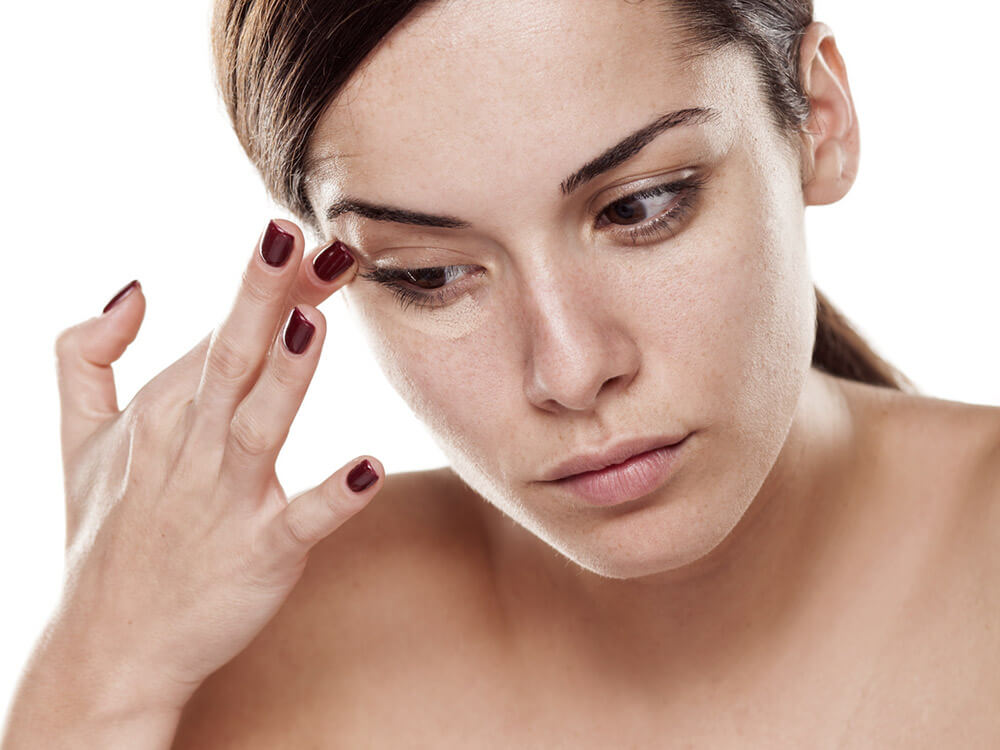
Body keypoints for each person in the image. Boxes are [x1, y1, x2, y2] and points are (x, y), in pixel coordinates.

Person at [3, 0, 999, 747]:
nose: (570, 370)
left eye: (640, 207)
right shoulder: (234, 652)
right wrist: (95, 671)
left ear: (817, 116)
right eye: (430, 274)